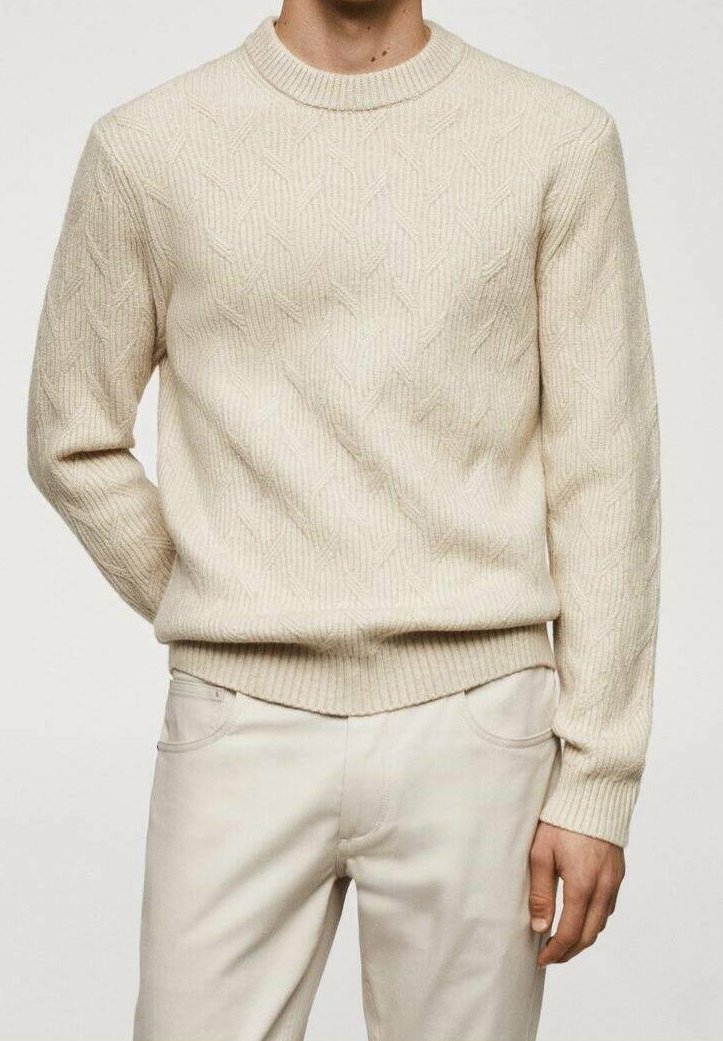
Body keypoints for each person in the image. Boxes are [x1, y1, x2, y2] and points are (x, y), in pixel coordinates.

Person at [25, 1, 661, 1039]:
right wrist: (218, 592)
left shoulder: (555, 141)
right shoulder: (150, 148)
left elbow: (606, 475)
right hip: (240, 715)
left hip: (479, 726)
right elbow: (72, 434)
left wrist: (596, 781)